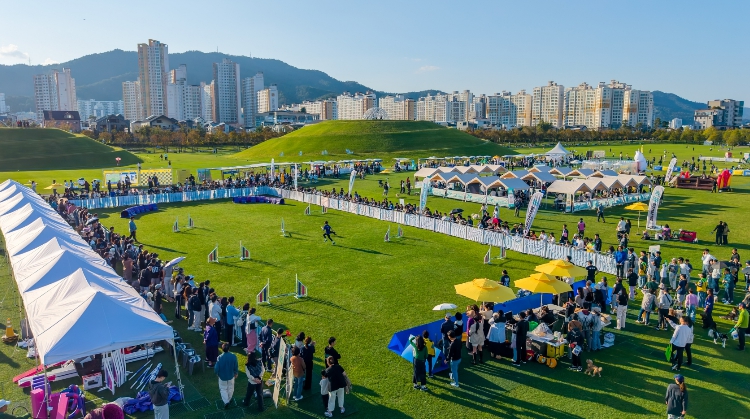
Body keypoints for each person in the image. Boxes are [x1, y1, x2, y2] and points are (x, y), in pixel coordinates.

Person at [215, 343, 238, 409]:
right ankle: (229, 399)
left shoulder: (219, 357)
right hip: (231, 376)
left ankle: (226, 401)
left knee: (223, 389)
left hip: (222, 377)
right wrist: (236, 372)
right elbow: (236, 366)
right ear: (229, 348)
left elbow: (216, 368)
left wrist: (217, 373)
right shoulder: (233, 356)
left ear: (222, 349)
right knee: (231, 388)